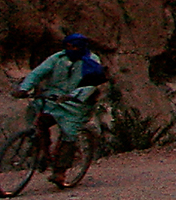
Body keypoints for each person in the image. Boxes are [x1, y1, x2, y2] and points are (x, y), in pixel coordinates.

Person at [14, 32, 107, 185]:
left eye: (73, 46)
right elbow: (38, 72)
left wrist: (72, 96)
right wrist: (25, 88)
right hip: (53, 99)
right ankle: (44, 152)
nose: (70, 49)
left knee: (68, 134)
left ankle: (60, 172)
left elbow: (91, 85)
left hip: (76, 104)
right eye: (67, 46)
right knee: (40, 121)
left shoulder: (91, 62)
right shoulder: (58, 58)